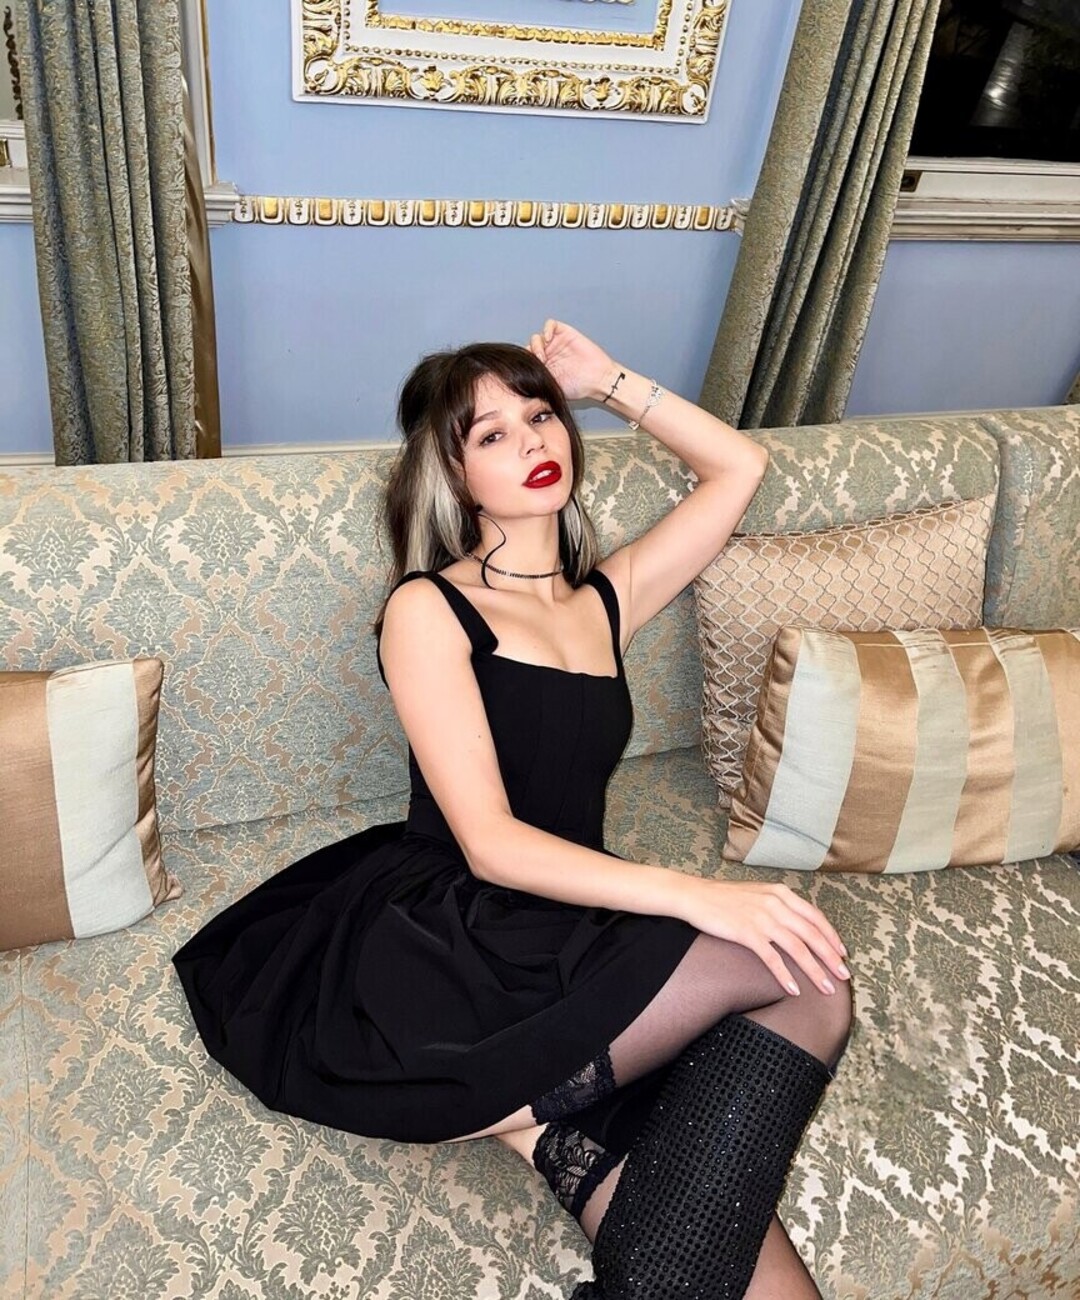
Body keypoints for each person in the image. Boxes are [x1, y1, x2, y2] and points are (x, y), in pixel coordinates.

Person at [173, 320, 852, 1299]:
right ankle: (517, 1092)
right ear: (454, 475)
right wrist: (697, 895)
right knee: (803, 971)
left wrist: (606, 381)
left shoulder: (607, 599)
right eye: (492, 434)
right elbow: (489, 843)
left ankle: (538, 1116)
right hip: (458, 931)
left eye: (541, 417)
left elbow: (738, 468)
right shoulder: (428, 608)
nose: (533, 441)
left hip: (575, 922)